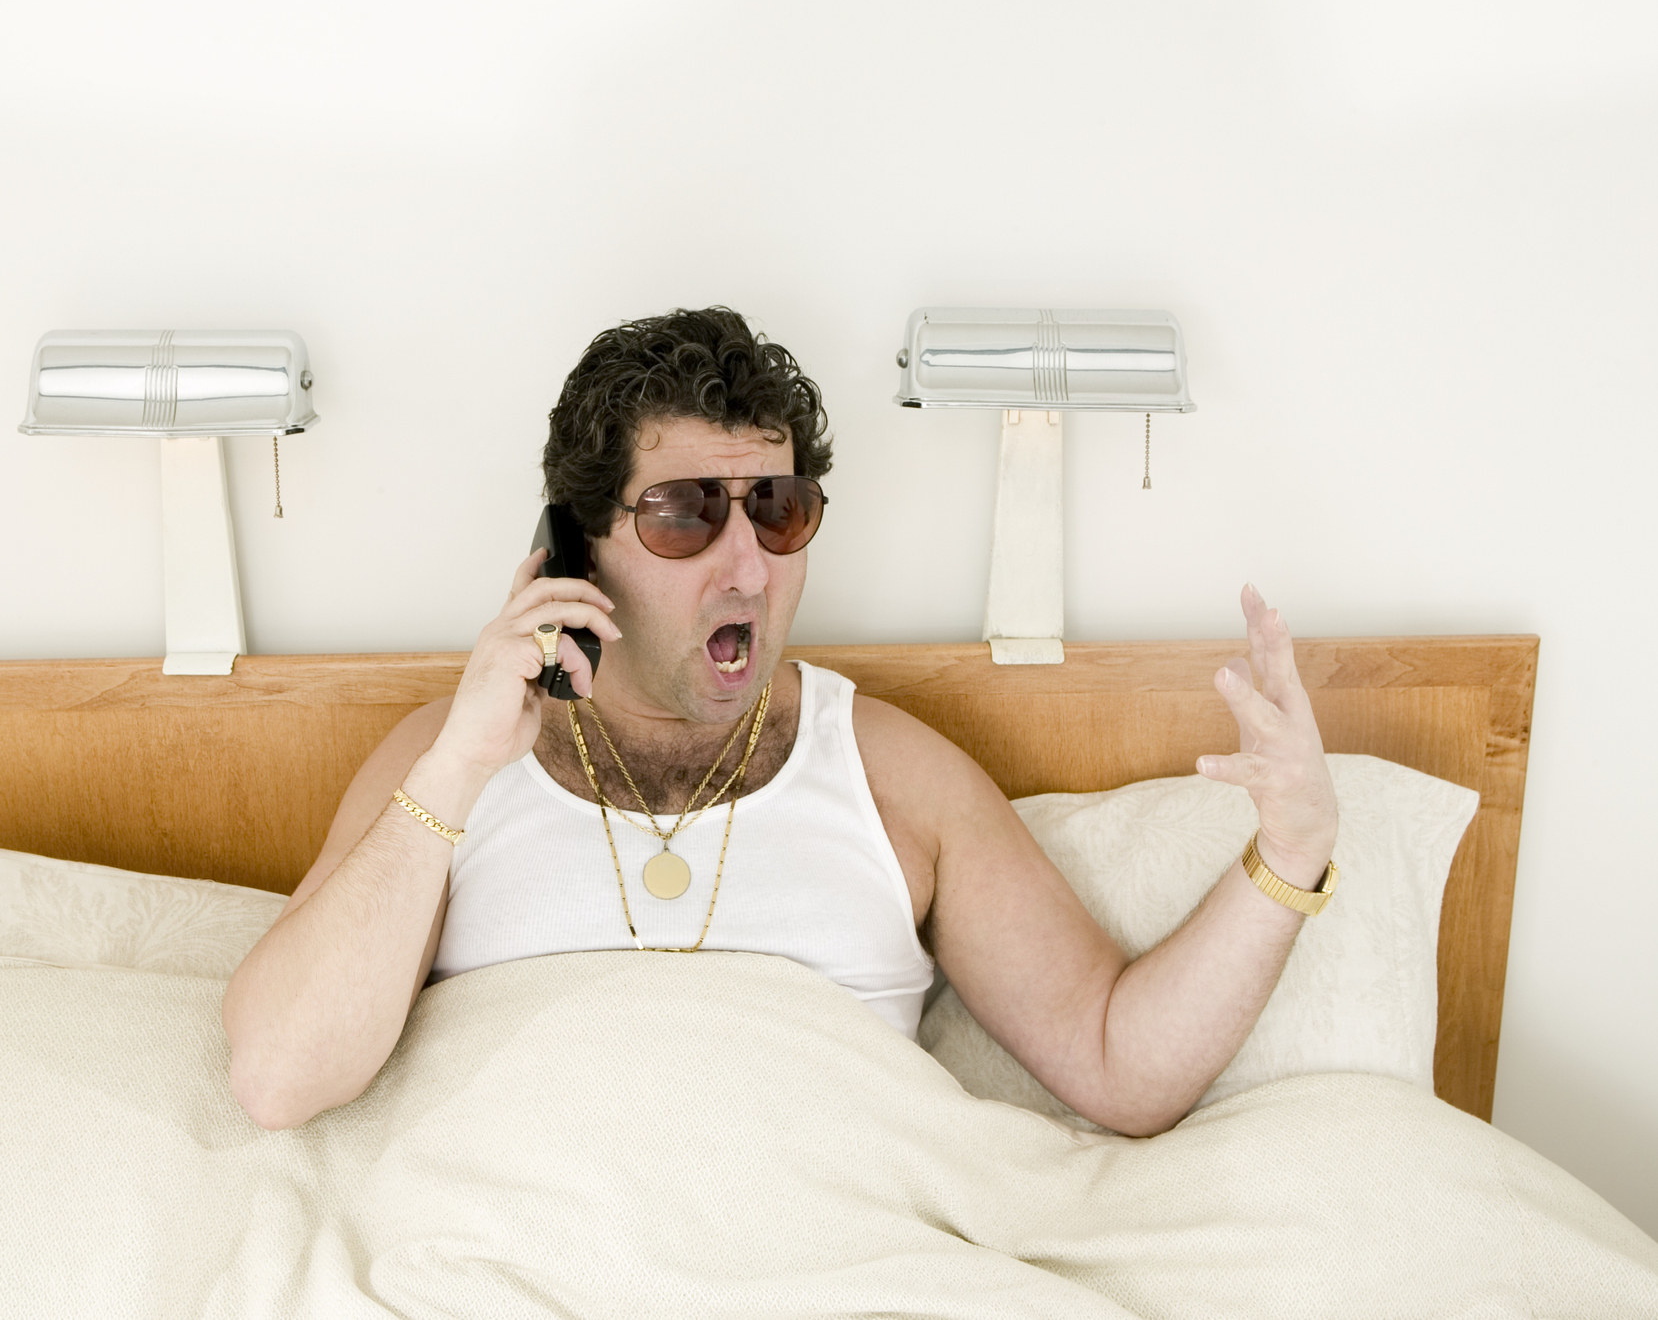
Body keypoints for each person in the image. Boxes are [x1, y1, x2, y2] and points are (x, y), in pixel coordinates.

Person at [223, 306, 1340, 1137]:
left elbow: (1115, 1059)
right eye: (684, 516)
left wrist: (1288, 852)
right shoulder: (443, 766)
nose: (747, 564)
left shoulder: (895, 776)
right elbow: (277, 1073)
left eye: (777, 509)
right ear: (576, 545)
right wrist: (462, 763)